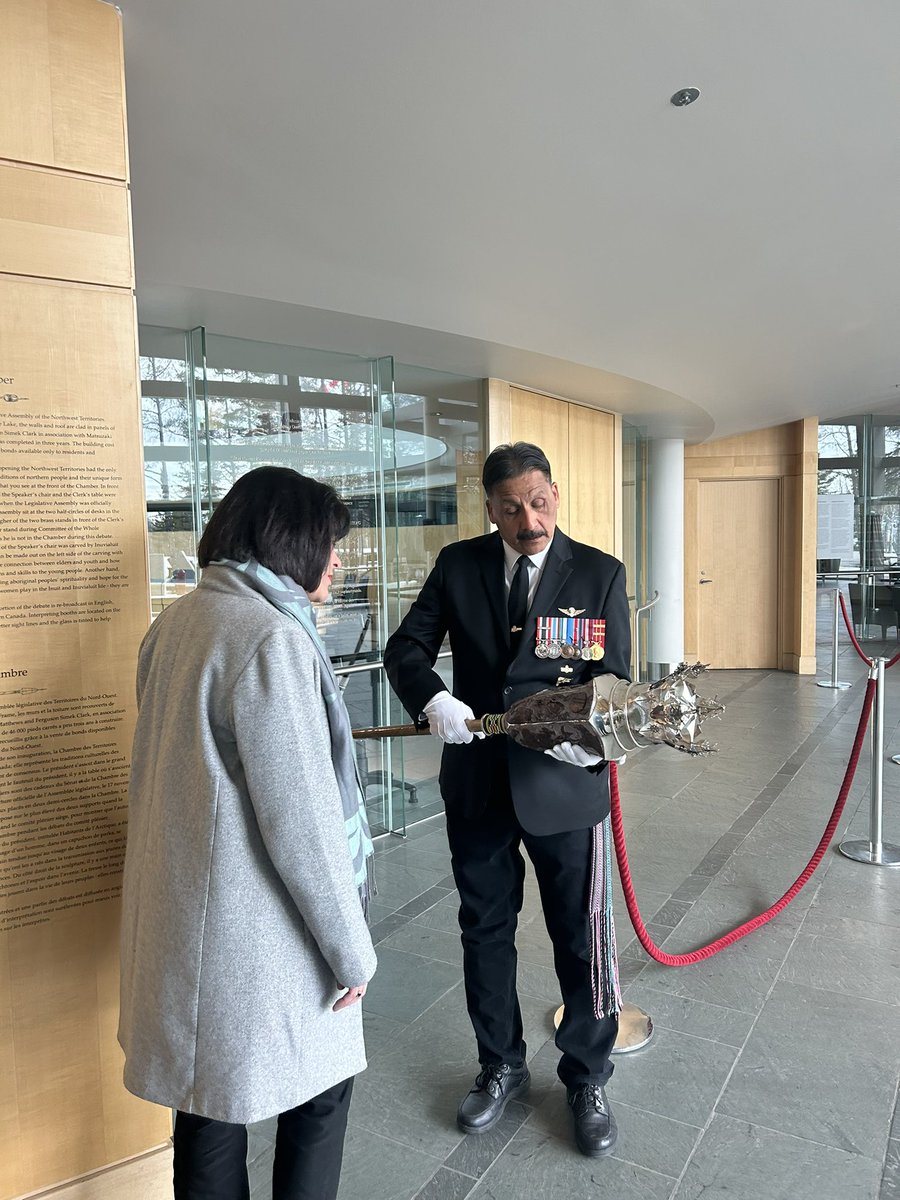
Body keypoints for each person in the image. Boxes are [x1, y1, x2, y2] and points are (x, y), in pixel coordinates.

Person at [118, 466, 377, 1200]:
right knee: (320, 1096)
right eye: (327, 543)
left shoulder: (175, 623)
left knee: (205, 1111)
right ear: (288, 540)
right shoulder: (271, 637)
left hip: (187, 923)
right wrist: (352, 952)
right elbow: (302, 824)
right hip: (259, 936)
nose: (336, 562)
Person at [383, 442, 630, 1158]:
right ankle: (501, 1063)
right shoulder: (459, 565)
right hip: (480, 785)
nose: (530, 519)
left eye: (540, 500)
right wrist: (433, 699)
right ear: (489, 508)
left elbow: (614, 681)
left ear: (557, 493)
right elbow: (408, 648)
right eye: (513, 506)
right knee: (484, 931)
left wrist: (580, 733)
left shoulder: (598, 573)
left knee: (580, 941)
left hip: (564, 788)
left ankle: (586, 1075)